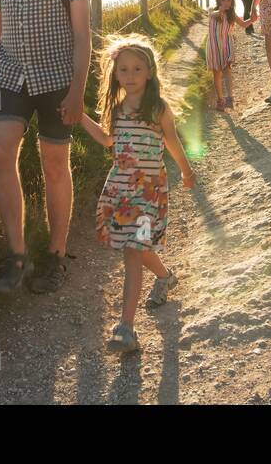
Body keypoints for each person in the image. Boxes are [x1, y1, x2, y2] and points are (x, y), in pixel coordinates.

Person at [0, 0, 91, 295]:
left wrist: (77, 91)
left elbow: (82, 35)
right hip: (10, 77)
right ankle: (17, 257)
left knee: (53, 164)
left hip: (56, 78)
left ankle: (57, 255)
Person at [79, 35, 196, 354]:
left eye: (136, 69)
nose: (129, 76)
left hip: (148, 192)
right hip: (121, 190)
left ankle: (126, 328)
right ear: (115, 74)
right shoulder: (117, 109)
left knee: (133, 251)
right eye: (123, 70)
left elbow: (172, 142)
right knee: (136, 246)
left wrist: (186, 170)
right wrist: (79, 116)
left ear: (149, 72)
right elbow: (107, 141)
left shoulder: (158, 108)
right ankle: (165, 277)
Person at [206, 0, 258, 110]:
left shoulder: (232, 14)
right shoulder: (212, 11)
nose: (227, 2)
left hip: (226, 45)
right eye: (224, 0)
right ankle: (220, 99)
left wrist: (253, 19)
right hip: (213, 46)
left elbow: (244, 24)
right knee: (216, 73)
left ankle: (229, 98)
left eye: (229, 0)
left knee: (227, 69)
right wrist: (221, 9)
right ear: (219, 0)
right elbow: (213, 14)